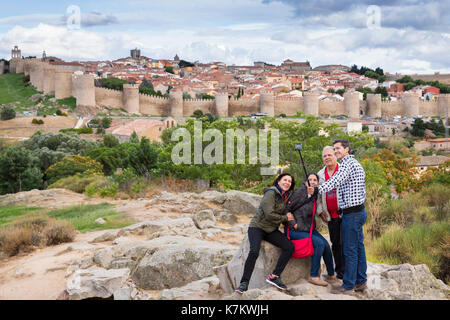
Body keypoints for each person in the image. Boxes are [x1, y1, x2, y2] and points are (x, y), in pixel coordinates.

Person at [307, 139, 367, 294]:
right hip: (358, 211)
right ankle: (361, 281)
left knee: (350, 250)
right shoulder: (355, 163)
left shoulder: (347, 165)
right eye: (334, 149)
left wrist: (316, 189)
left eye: (338, 148)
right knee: (359, 247)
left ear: (347, 149)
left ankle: (348, 285)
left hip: (352, 214)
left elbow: (334, 181)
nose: (336, 151)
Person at [235, 173, 296, 294]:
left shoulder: (287, 196)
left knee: (289, 247)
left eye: (289, 181)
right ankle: (244, 283)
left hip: (271, 230)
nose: (287, 183)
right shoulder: (271, 193)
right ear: (278, 181)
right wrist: (285, 218)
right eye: (285, 180)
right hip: (257, 227)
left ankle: (274, 276)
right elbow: (269, 214)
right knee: (254, 251)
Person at [284, 173, 338, 287]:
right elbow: (286, 209)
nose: (312, 182)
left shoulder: (315, 194)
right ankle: (313, 276)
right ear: (305, 182)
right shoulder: (299, 192)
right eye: (310, 180)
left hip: (308, 229)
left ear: (318, 183)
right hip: (296, 230)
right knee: (319, 244)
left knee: (326, 245)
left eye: (315, 180)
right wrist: (294, 224)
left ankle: (331, 274)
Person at [317, 146, 345, 280]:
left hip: (345, 213)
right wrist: (320, 210)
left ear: (335, 156)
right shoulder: (320, 174)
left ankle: (349, 271)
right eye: (324, 156)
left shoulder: (343, 170)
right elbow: (318, 195)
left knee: (346, 243)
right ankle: (339, 272)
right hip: (330, 215)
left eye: (329, 155)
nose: (327, 158)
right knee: (335, 243)